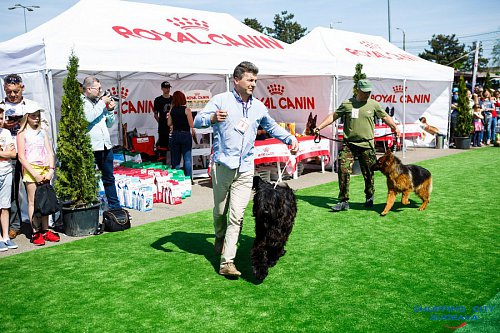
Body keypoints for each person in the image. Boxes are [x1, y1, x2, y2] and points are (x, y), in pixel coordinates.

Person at [194, 61, 299, 277]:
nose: (253, 84)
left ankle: (227, 262)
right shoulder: (220, 100)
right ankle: (220, 236)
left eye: (255, 80)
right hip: (223, 166)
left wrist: (289, 138)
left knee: (237, 217)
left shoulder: (259, 107)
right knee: (221, 212)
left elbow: (271, 126)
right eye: (250, 80)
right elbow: (197, 121)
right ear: (237, 80)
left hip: (245, 169)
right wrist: (212, 118)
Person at [314, 79, 400, 212]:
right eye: (365, 92)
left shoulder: (373, 104)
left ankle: (369, 196)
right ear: (357, 90)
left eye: (369, 92)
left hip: (367, 145)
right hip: (349, 145)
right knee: (343, 169)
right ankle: (343, 201)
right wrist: (319, 127)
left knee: (369, 173)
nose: (367, 94)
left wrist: (395, 127)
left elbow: (385, 117)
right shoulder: (347, 104)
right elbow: (333, 116)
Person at [0, 74, 50, 239]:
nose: (12, 95)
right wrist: (4, 125)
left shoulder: (32, 105)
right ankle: (14, 226)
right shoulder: (1, 107)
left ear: (22, 88)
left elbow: (44, 125)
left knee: (38, 191)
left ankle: (41, 225)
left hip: (32, 154)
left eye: (15, 91)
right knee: (12, 191)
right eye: (9, 92)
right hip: (10, 154)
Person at [16, 105, 59, 246]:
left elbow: (50, 152)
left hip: (45, 169)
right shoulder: (21, 134)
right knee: (33, 201)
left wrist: (51, 169)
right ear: (27, 117)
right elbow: (21, 157)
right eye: (33, 115)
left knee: (45, 200)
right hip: (31, 170)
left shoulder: (43, 132)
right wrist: (34, 174)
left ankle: (46, 230)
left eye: (38, 115)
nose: (36, 118)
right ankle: (35, 232)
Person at [82, 76, 120, 211]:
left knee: (109, 178)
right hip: (91, 147)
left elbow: (109, 124)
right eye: (98, 88)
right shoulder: (81, 102)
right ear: (88, 88)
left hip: (105, 146)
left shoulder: (99, 103)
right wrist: (102, 103)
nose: (100, 91)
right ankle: (92, 209)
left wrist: (110, 110)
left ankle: (115, 207)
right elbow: (87, 118)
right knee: (90, 180)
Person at [0, 106, 18, 251]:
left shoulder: (6, 132)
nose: (0, 121)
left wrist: (3, 152)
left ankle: (6, 236)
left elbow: (13, 154)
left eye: (1, 118)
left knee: (5, 206)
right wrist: (6, 152)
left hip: (6, 171)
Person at [168, 90, 195, 179]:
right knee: (187, 159)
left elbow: (169, 123)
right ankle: (188, 179)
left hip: (175, 134)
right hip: (185, 134)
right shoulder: (187, 110)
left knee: (176, 159)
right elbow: (191, 125)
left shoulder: (172, 110)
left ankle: (177, 178)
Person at [153, 81, 173, 150]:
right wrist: (161, 122)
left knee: (172, 147)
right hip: (162, 127)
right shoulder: (158, 100)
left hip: (172, 127)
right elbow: (155, 114)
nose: (167, 89)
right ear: (162, 88)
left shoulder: (173, 99)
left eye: (168, 88)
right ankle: (163, 160)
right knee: (163, 148)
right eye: (166, 88)